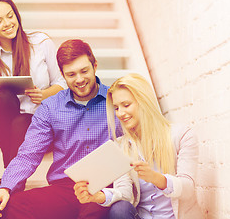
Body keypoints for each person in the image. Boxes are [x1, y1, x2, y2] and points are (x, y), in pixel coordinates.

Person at [0, 39, 122, 219]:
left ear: (95, 65)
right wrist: (6, 186)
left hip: (104, 187)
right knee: (11, 206)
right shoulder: (51, 107)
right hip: (66, 189)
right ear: (62, 74)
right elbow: (29, 154)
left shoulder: (117, 100)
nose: (80, 79)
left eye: (84, 71)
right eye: (71, 74)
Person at [74, 73, 203, 218]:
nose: (120, 113)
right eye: (116, 108)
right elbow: (125, 193)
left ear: (144, 102)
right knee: (120, 208)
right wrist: (97, 196)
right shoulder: (121, 146)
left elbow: (187, 188)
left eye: (126, 105)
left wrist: (155, 178)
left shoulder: (182, 135)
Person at [0, 0, 66, 168]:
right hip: (3, 130)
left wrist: (44, 94)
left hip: (42, 127)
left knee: (21, 123)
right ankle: (12, 176)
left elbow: (63, 83)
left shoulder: (41, 43)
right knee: (3, 97)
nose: (8, 23)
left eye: (10, 16)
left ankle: (9, 176)